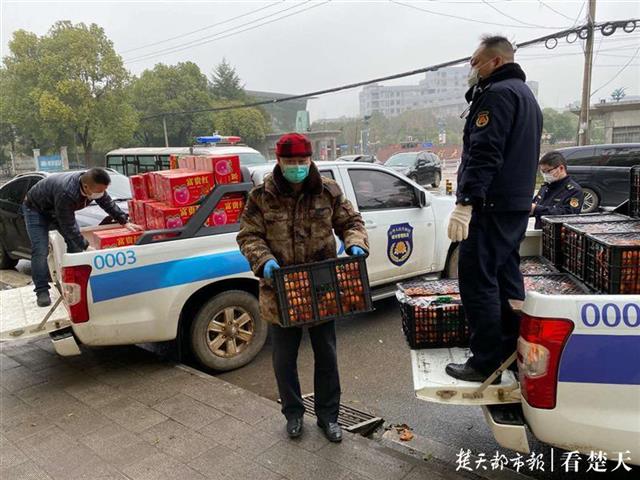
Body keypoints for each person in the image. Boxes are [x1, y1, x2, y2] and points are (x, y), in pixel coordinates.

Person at [237, 133, 368, 442]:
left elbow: (351, 222)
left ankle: (328, 416)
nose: (296, 166)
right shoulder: (261, 197)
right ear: (279, 160)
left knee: (327, 356)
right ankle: (293, 413)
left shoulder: (328, 191)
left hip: (322, 288)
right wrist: (264, 260)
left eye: (301, 161)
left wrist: (355, 243)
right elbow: (248, 235)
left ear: (310, 160)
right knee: (284, 359)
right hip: (280, 289)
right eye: (290, 161)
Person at [446, 35, 543, 383]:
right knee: (505, 276)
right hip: (514, 204)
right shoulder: (526, 96)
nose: (472, 68)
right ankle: (511, 351)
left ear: (496, 61)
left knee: (478, 279)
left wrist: (466, 202)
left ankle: (485, 362)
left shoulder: (497, 95)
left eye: (475, 62)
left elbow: (485, 152)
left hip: (491, 205)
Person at [23, 168, 133, 307]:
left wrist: (124, 221)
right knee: (40, 249)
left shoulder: (94, 187)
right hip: (36, 209)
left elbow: (107, 203)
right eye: (99, 190)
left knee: (74, 245)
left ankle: (74, 283)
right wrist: (86, 246)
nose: (102, 193)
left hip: (58, 208)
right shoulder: (67, 192)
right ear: (86, 187)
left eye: (104, 190)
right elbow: (69, 226)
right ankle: (42, 291)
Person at [531, 151, 584, 228]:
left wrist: (536, 209)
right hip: (540, 230)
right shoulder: (546, 187)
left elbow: (569, 214)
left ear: (561, 168)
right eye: (543, 172)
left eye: (548, 171)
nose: (545, 175)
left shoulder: (574, 191)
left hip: (558, 232)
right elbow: (533, 206)